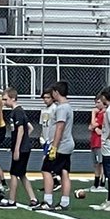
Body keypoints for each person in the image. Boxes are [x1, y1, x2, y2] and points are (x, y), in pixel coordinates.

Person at [0, 87, 37, 209]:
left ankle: (12, 201)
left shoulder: (18, 112)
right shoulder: (17, 112)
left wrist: (17, 148)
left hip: (21, 149)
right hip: (23, 147)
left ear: (13, 98)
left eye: (5, 99)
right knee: (22, 174)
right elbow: (29, 128)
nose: (4, 102)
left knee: (14, 174)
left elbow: (21, 129)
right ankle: (33, 198)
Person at [47, 81, 76, 211]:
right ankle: (64, 201)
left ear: (57, 92)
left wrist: (54, 147)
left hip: (62, 144)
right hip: (67, 143)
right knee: (64, 172)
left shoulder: (62, 108)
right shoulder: (67, 106)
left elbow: (60, 127)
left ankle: (48, 200)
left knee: (46, 169)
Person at [33, 88, 57, 211]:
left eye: (48, 97)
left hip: (52, 141)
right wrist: (42, 137)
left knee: (46, 166)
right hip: (46, 141)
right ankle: (53, 180)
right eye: (44, 98)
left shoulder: (55, 109)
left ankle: (54, 181)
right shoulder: (44, 110)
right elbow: (44, 126)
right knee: (45, 165)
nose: (45, 100)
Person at [89, 97, 105, 191]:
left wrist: (93, 113)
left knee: (101, 163)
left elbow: (93, 125)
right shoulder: (98, 114)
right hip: (94, 141)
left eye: (98, 102)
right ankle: (96, 183)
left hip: (100, 142)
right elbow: (90, 127)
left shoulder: (103, 114)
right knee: (96, 164)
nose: (96, 105)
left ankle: (101, 184)